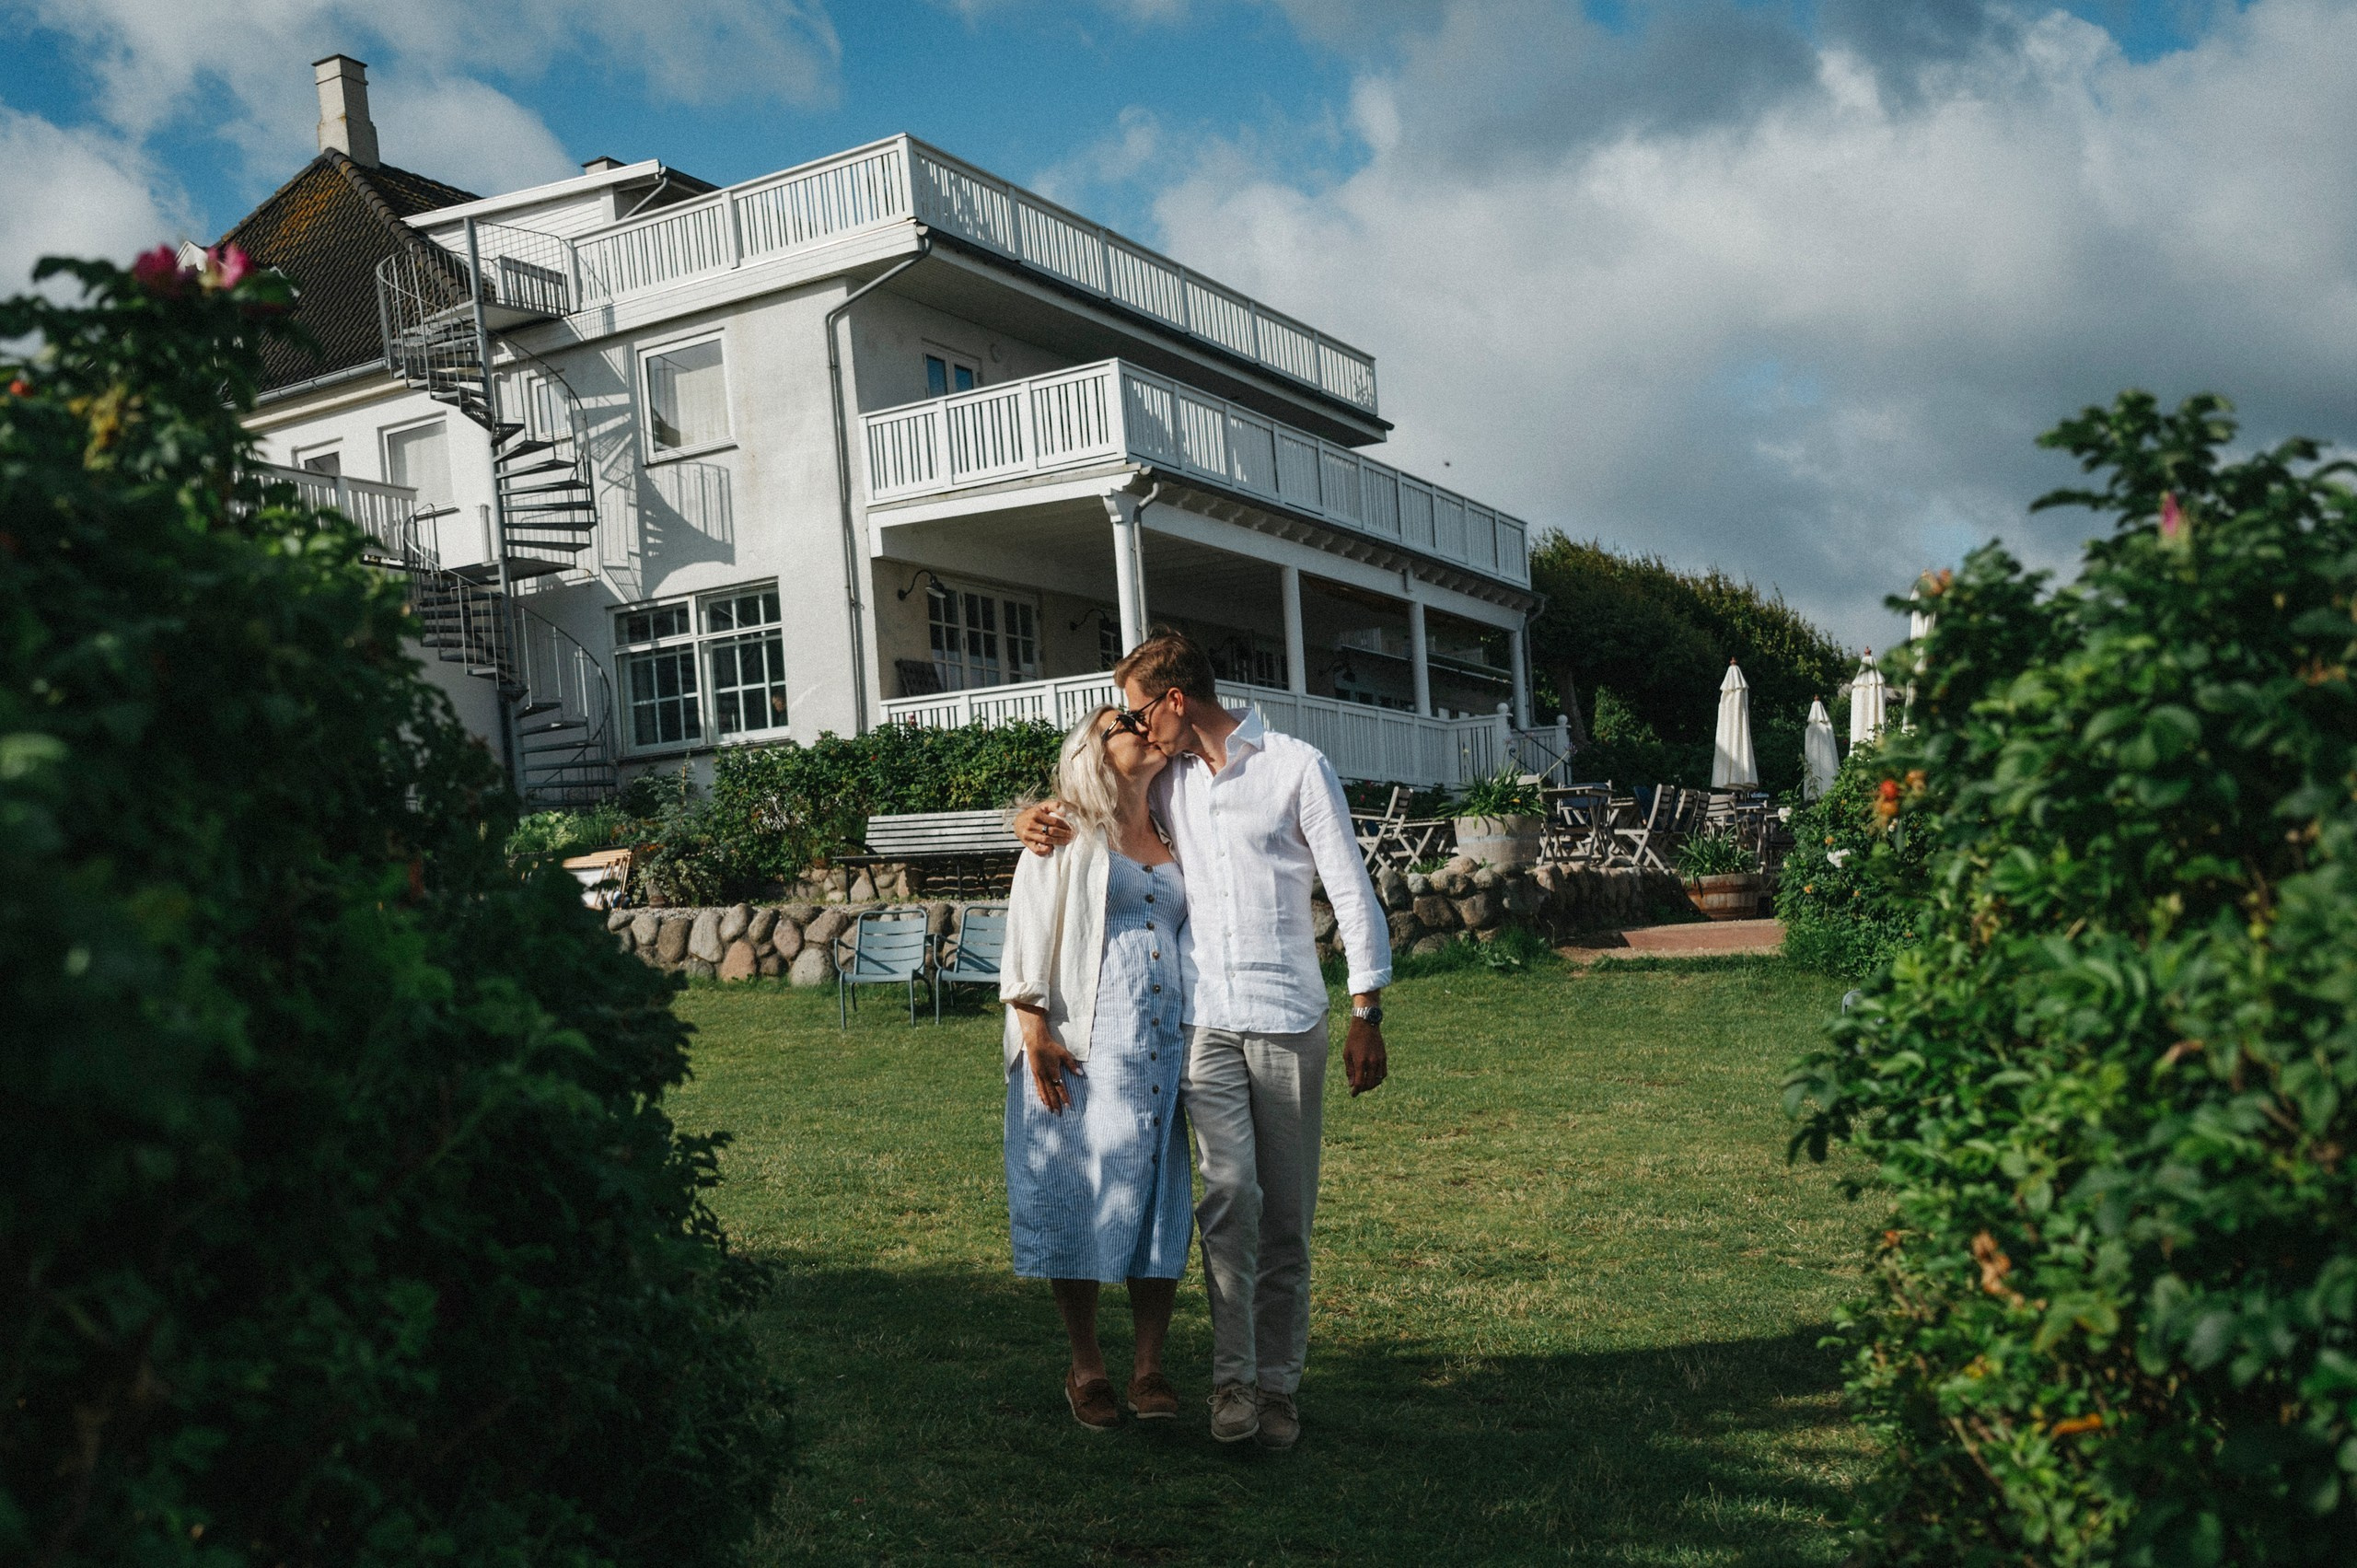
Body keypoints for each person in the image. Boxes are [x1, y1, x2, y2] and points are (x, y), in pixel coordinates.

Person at [1016, 629, 1390, 1450]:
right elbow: (1083, 802)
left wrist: (1367, 1009)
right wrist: (1027, 816)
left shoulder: (1295, 766)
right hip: (1205, 1027)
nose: (1136, 726)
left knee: (1285, 1218)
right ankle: (1230, 1386)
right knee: (1226, 1204)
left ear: (1176, 701)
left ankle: (1278, 1389)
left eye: (1140, 709)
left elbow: (1352, 892)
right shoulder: (1173, 778)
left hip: (1291, 1017)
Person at [1000, 704, 1193, 1430]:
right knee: (1071, 1189)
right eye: (1124, 722)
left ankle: (1149, 1367)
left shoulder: (1176, 834)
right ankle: (1086, 1367)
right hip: (1079, 1043)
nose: (1143, 726)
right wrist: (1032, 1023)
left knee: (1157, 1196)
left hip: (1161, 1046)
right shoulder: (1064, 830)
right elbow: (1027, 922)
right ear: (1094, 749)